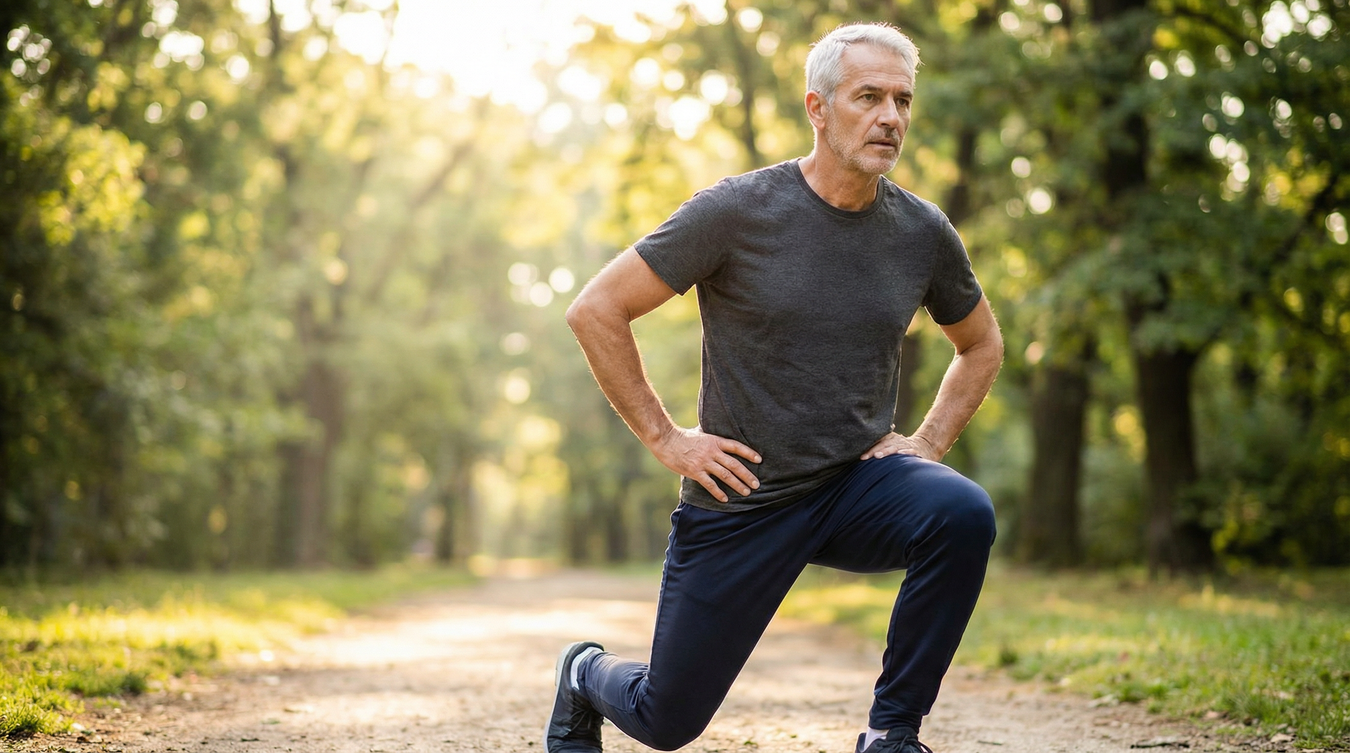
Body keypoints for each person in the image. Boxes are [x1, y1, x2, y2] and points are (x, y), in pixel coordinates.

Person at [547, 21, 1003, 753]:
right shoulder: (736, 211)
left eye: (903, 101)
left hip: (856, 488)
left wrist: (925, 443)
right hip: (744, 499)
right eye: (869, 97)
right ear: (818, 109)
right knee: (667, 720)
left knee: (961, 513)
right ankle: (584, 673)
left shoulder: (922, 232)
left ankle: (893, 733)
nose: (891, 117)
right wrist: (667, 438)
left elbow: (980, 344)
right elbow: (597, 309)